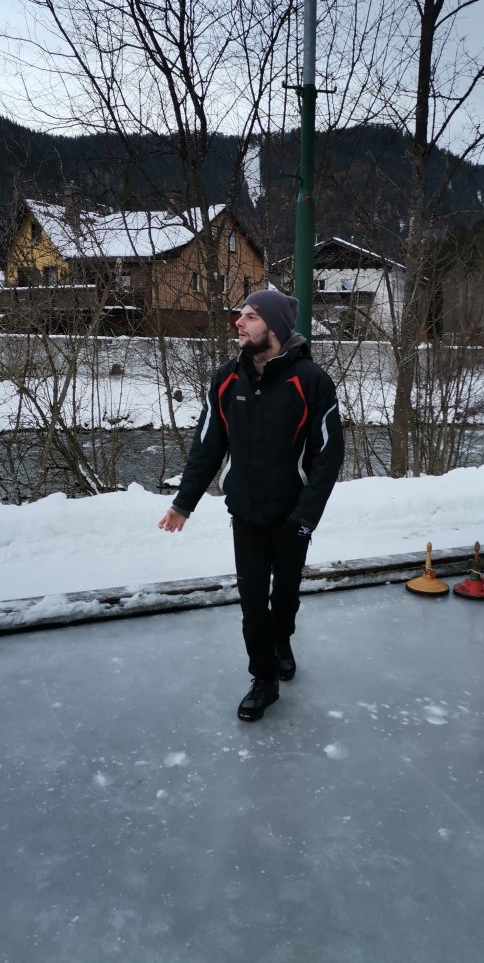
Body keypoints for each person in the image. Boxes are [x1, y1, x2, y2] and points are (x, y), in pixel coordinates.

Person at [157, 289, 344, 721]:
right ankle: (263, 678)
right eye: (240, 315)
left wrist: (306, 518)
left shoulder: (311, 381)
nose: (239, 323)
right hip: (245, 512)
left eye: (251, 316)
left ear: (274, 327)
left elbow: (328, 456)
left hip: (292, 514)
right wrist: (184, 503)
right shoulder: (227, 378)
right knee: (253, 599)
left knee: (286, 594)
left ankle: (283, 641)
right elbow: (208, 446)